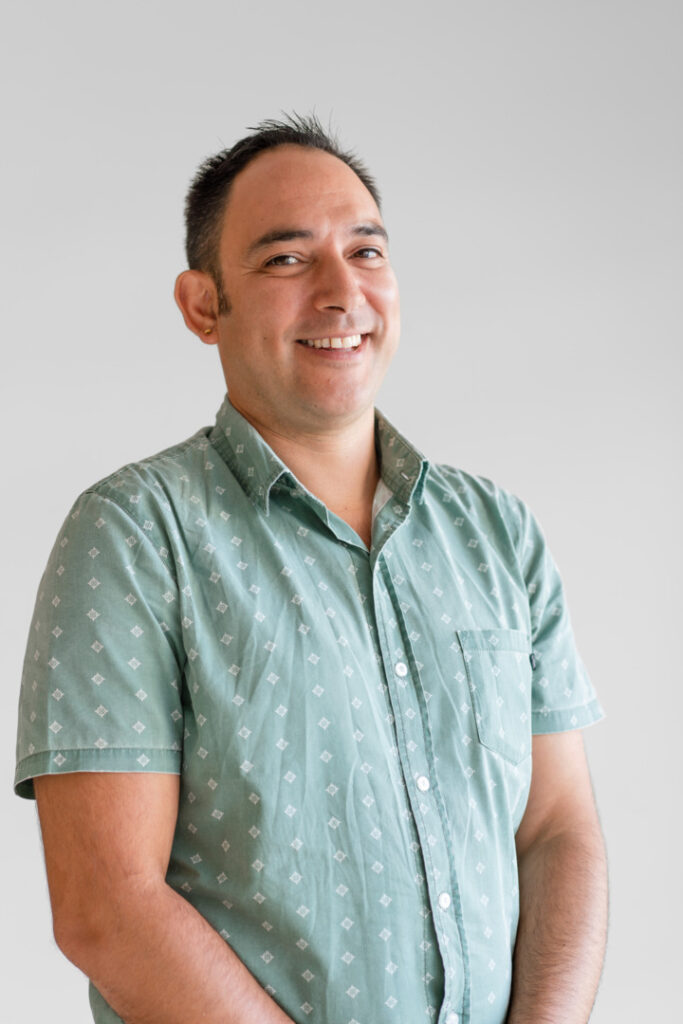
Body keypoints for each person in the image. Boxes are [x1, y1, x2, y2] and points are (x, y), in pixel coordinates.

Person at [15, 114, 608, 1024]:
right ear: (202, 305)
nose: (341, 292)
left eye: (365, 252)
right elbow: (107, 907)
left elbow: (558, 830)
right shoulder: (133, 536)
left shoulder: (496, 532)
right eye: (287, 260)